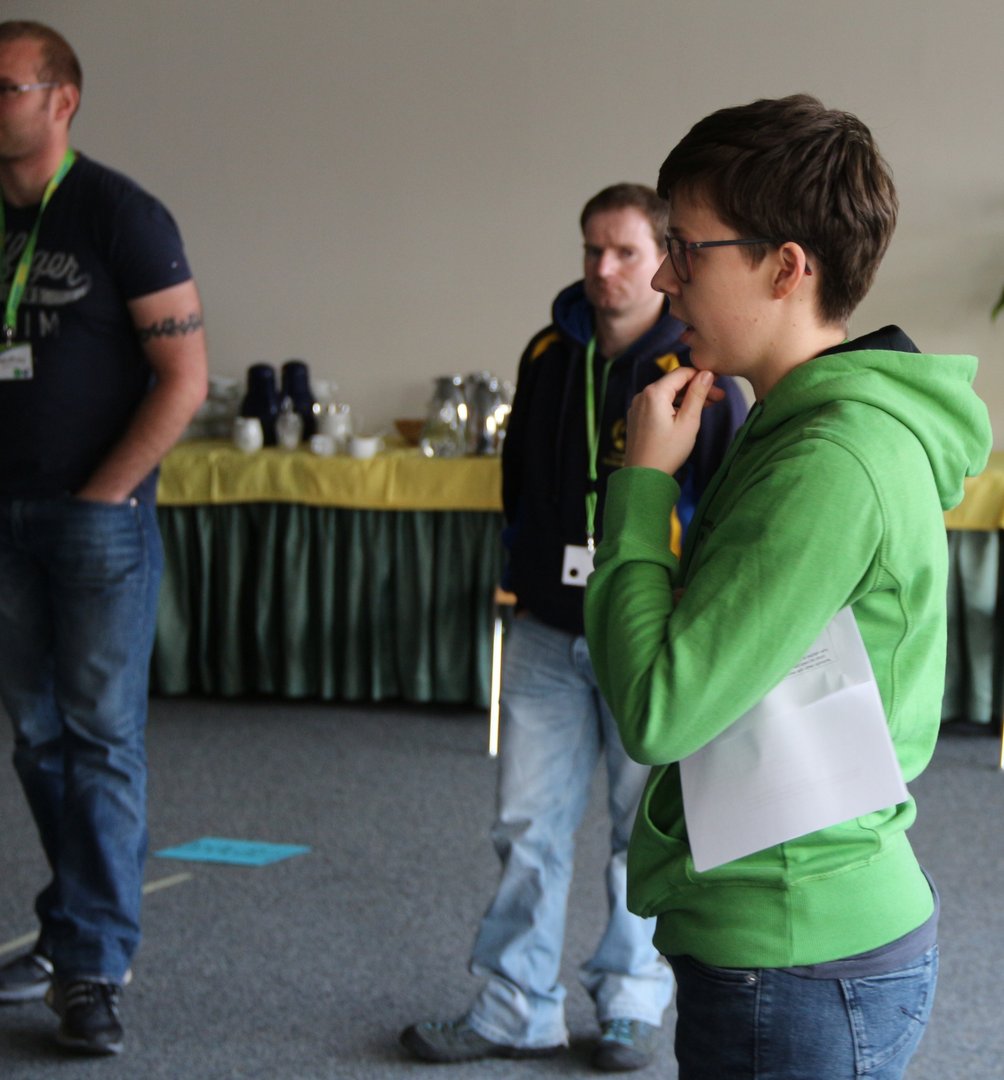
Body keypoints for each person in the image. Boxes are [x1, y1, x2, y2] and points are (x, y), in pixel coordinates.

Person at [582, 96, 992, 1079]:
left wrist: (640, 487)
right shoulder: (799, 422)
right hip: (791, 925)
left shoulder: (829, 458)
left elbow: (661, 708)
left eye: (688, 249)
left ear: (785, 267)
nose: (665, 278)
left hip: (798, 947)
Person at [401, 183, 747, 1072]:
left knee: (643, 832)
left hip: (647, 632)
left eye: (626, 251)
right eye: (592, 249)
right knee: (526, 826)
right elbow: (519, 478)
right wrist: (519, 573)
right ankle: (515, 1006)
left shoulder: (701, 370)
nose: (603, 268)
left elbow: (723, 508)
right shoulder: (550, 352)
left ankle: (631, 1002)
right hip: (549, 630)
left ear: (663, 258)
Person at [0, 21, 208, 1057]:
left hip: (96, 523)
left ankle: (92, 965)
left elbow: (185, 377)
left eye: (4, 87)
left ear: (61, 100)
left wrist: (102, 496)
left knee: (99, 739)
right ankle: (71, 926)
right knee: (37, 737)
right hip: (7, 519)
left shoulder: (121, 214)